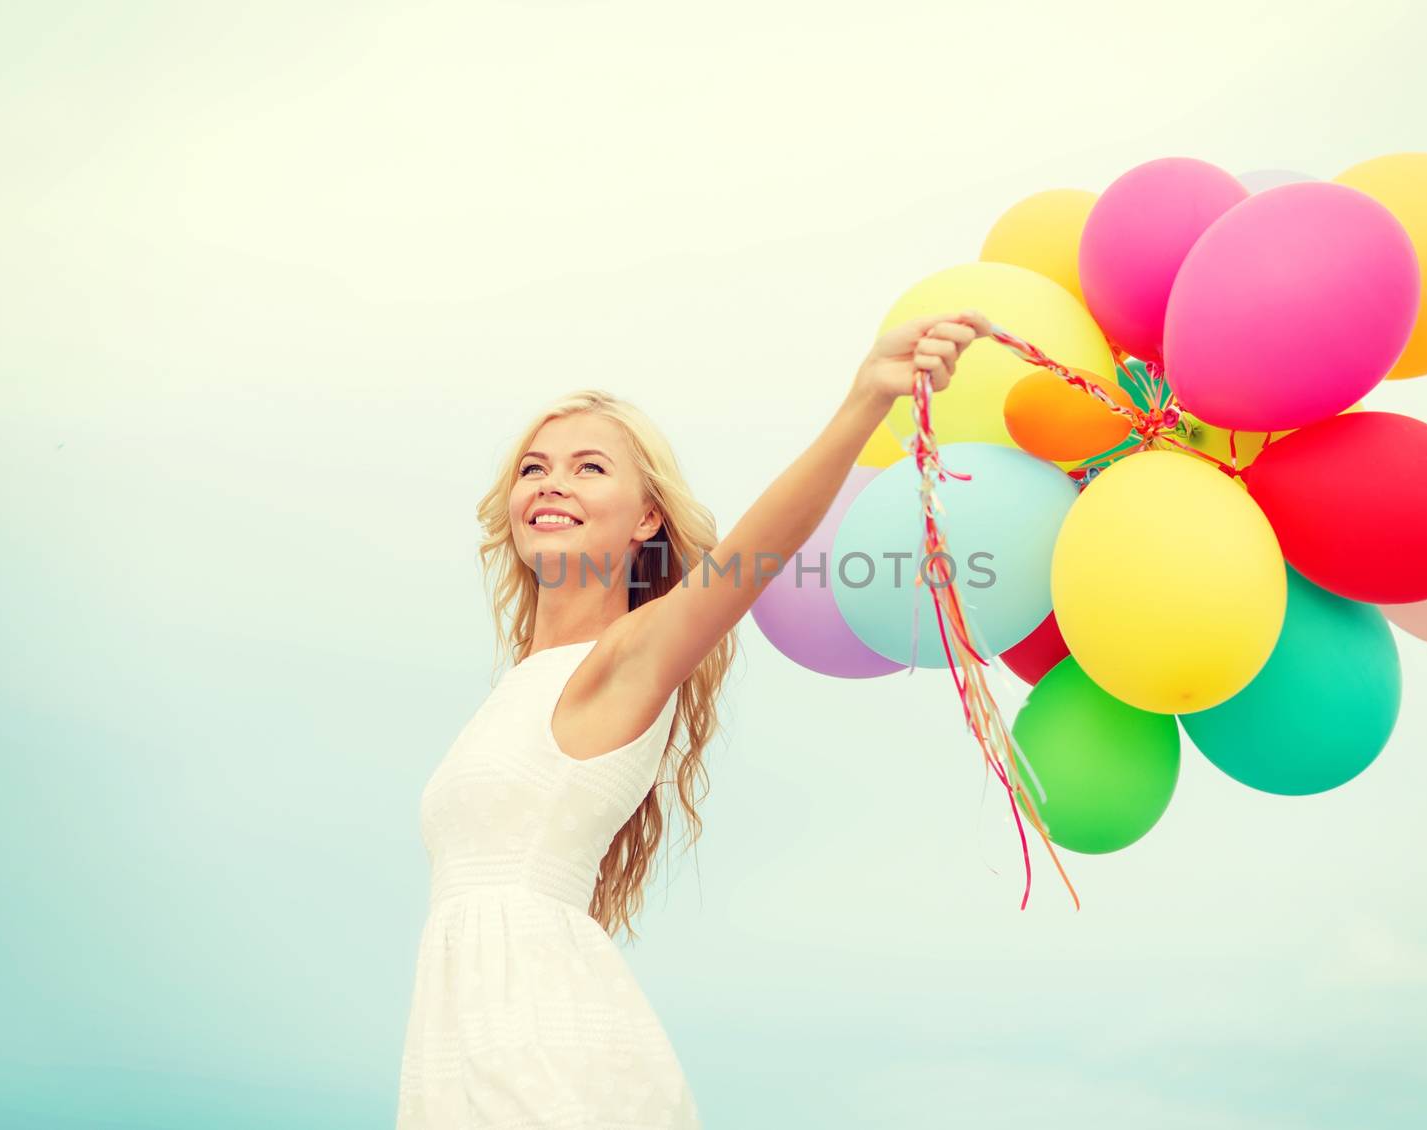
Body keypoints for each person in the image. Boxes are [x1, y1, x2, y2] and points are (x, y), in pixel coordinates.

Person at [394, 308, 991, 1127]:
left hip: (547, 1063)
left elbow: (756, 552)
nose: (552, 481)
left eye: (590, 466)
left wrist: (866, 399)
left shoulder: (625, 657)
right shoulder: (519, 690)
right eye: (534, 466)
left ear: (645, 518)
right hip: (471, 1051)